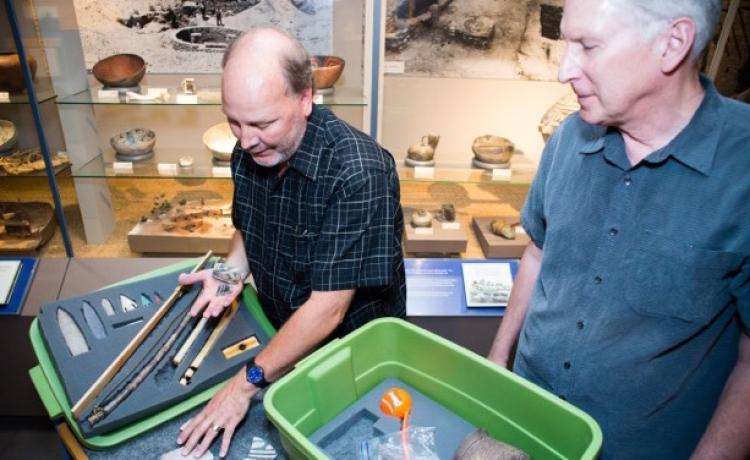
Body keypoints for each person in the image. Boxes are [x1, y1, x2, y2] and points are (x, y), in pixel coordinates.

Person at [488, 1, 750, 458]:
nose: (564, 71)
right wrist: (497, 362)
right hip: (529, 422)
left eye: (588, 45)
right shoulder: (570, 137)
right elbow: (537, 253)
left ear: (672, 44)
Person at [176, 27, 406, 458]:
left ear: (305, 98)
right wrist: (229, 275)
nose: (245, 140)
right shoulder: (250, 148)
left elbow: (328, 309)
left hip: (350, 365)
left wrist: (242, 387)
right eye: (234, 121)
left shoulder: (359, 171)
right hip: (279, 343)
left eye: (262, 123)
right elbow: (248, 226)